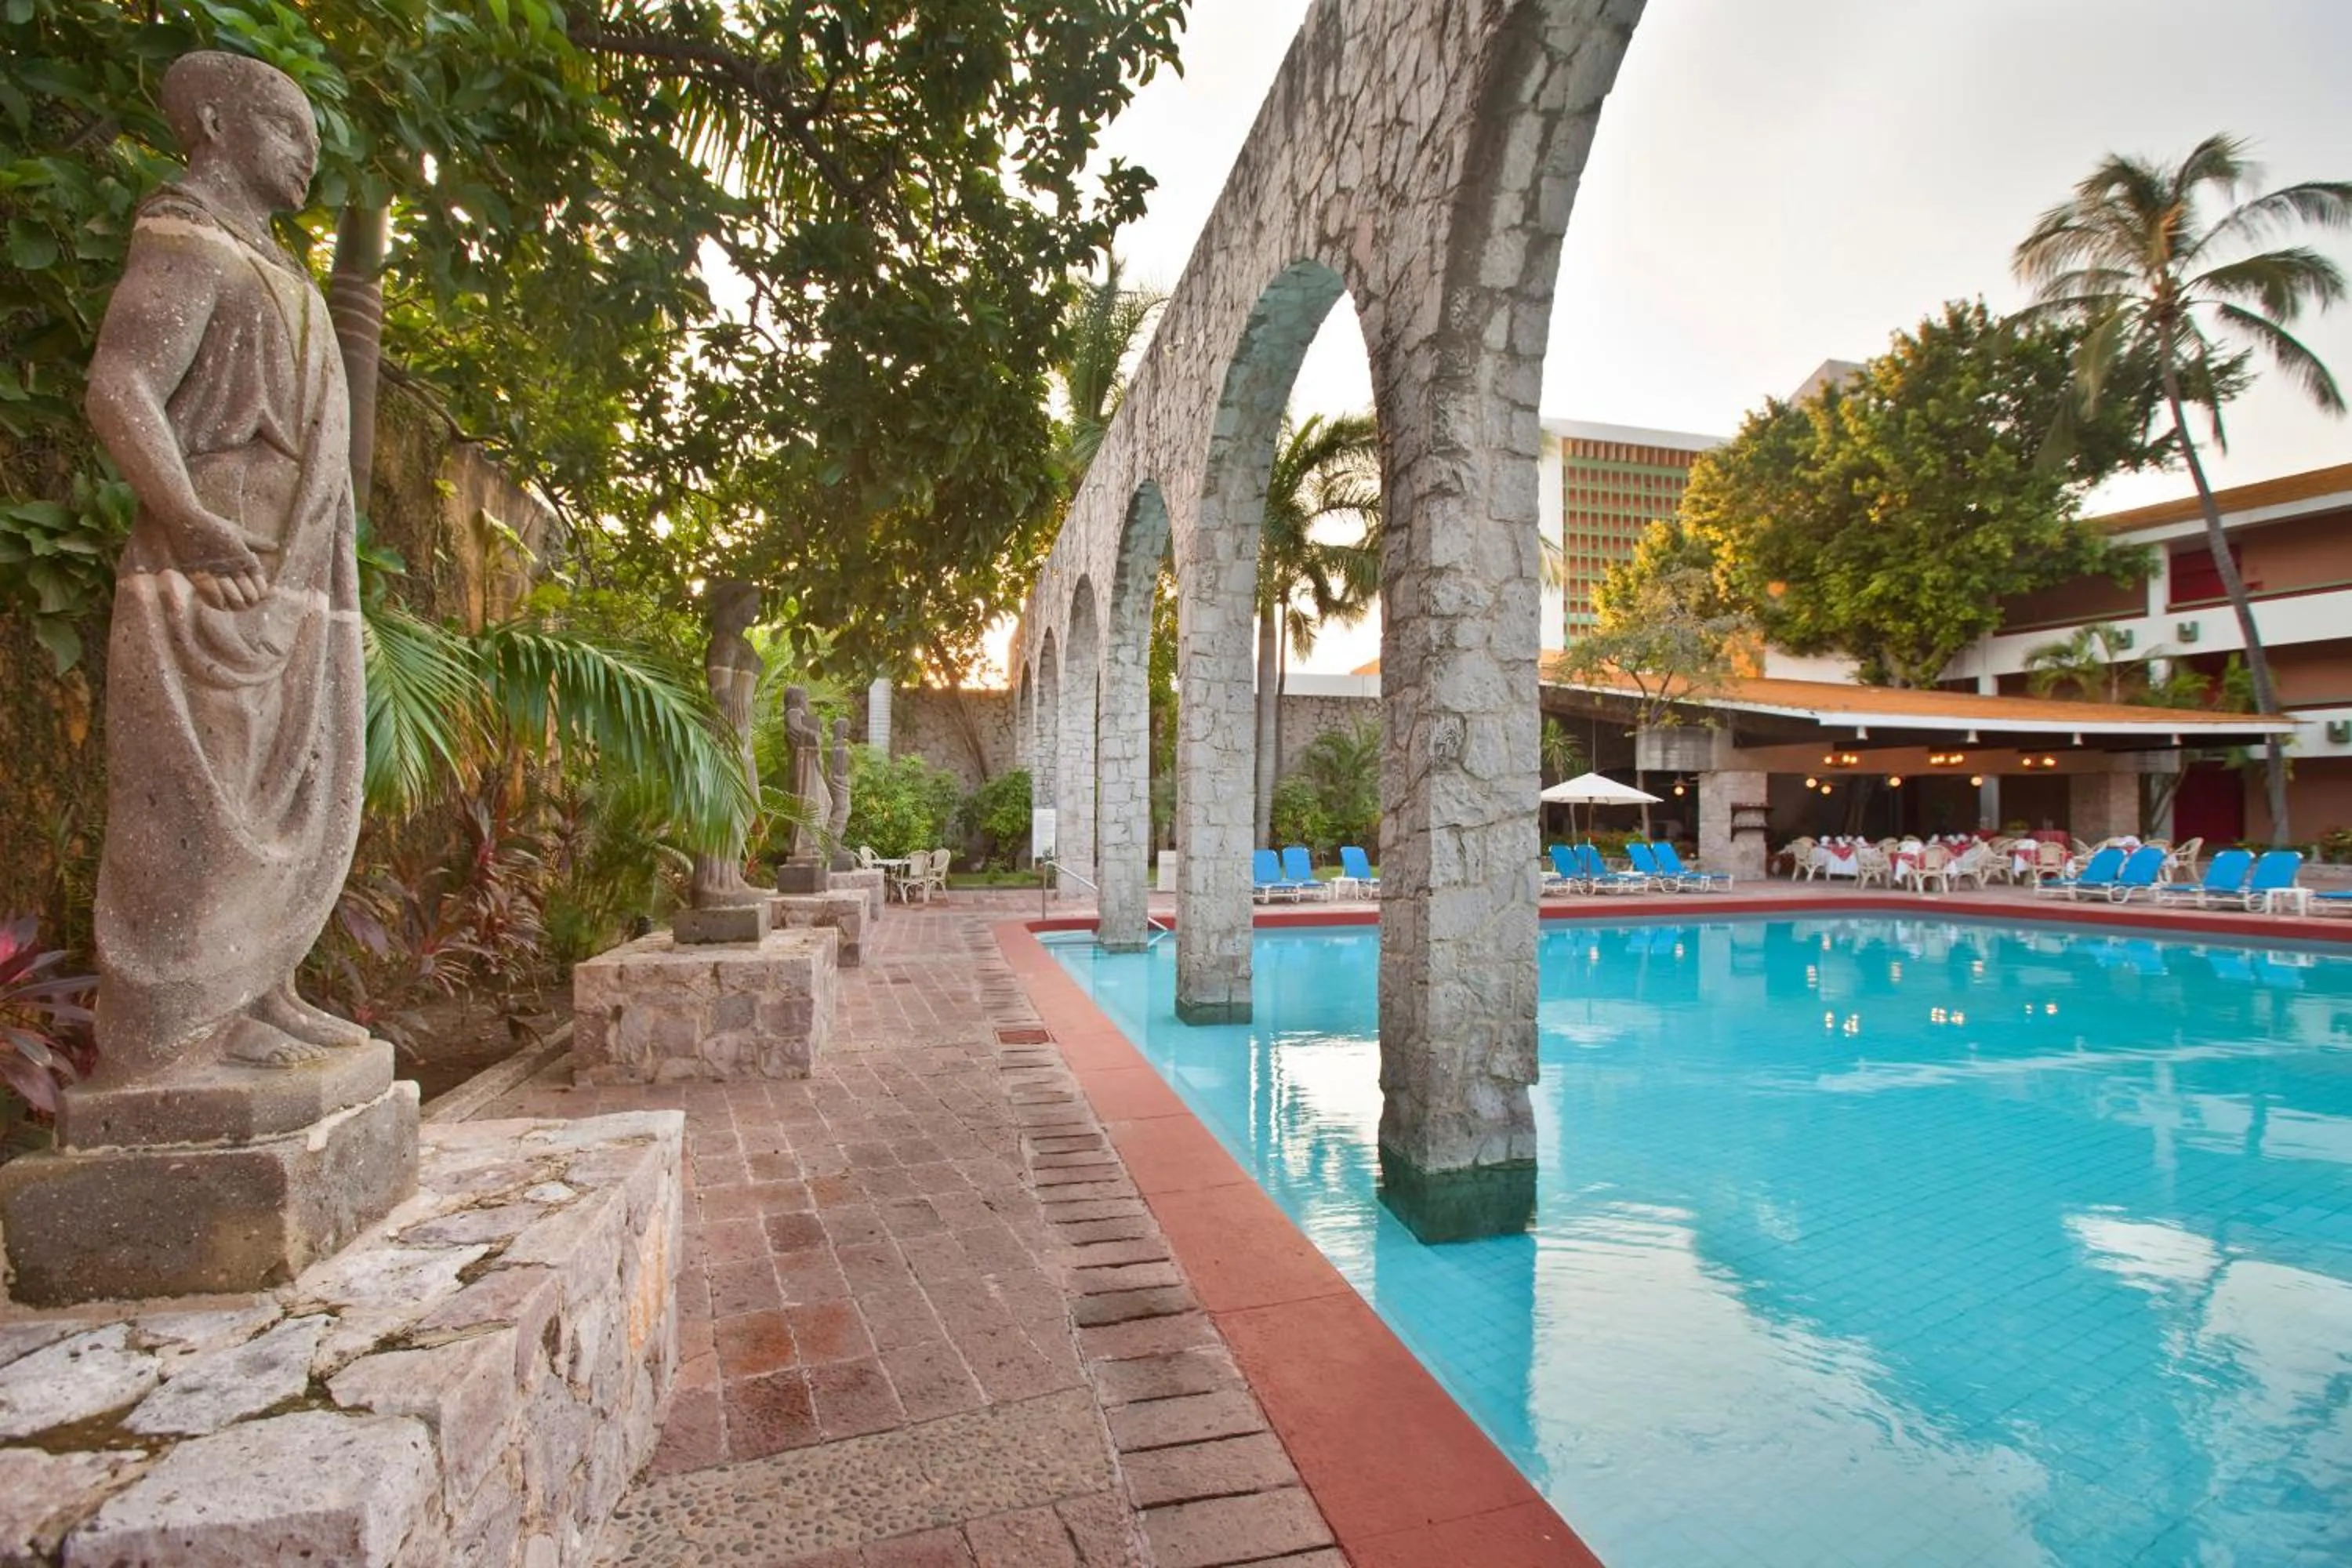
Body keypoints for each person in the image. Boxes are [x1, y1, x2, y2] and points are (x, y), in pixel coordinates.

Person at [82, 52, 368, 1076]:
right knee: (207, 797)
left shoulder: (276, 261)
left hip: (288, 580)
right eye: (289, 131)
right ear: (214, 121)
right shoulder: (186, 238)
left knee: (280, 789)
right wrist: (191, 520)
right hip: (208, 575)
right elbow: (120, 388)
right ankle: (173, 1037)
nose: (305, 161)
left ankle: (260, 990)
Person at [688, 580, 764, 906]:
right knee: (729, 805)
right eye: (752, 603)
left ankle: (728, 877)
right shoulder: (723, 643)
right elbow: (718, 692)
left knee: (746, 805)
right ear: (734, 604)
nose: (757, 610)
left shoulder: (740, 643)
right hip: (727, 731)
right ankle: (714, 884)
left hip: (741, 730)